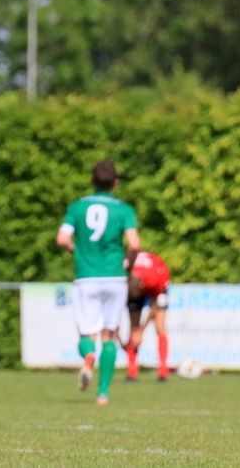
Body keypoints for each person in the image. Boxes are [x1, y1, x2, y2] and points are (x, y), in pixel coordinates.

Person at [55, 160, 140, 406]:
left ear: (92, 181)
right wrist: (128, 262)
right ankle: (102, 393)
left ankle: (89, 357)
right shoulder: (124, 210)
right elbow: (134, 244)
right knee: (110, 335)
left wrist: (76, 250)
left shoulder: (77, 207)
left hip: (86, 277)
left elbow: (62, 239)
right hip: (115, 277)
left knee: (86, 334)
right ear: (116, 182)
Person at [125, 251, 171, 381]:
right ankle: (132, 371)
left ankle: (163, 370)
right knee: (133, 328)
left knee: (159, 326)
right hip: (134, 283)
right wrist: (133, 333)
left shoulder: (154, 278)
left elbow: (155, 305)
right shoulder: (123, 275)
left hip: (159, 286)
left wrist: (142, 330)